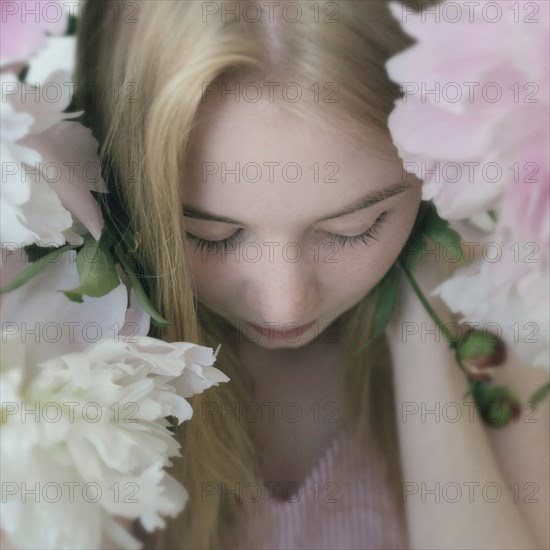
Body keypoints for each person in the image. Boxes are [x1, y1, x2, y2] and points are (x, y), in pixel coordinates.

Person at [75, 1, 549, 548]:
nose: (285, 307)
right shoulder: (51, 351)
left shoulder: (501, 322)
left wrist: (425, 334)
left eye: (356, 227)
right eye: (209, 236)